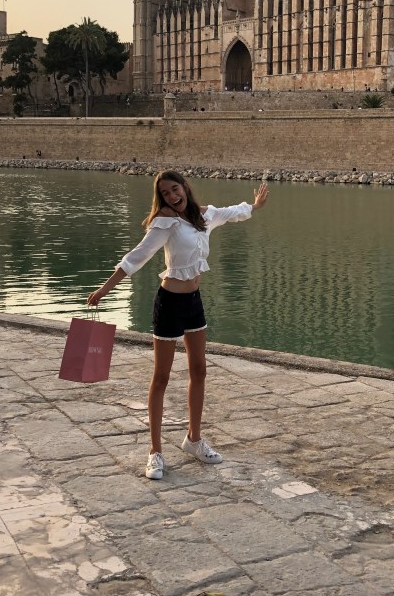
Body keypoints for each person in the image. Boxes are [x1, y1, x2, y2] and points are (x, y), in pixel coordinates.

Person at [87, 169, 269, 480]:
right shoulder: (166, 223)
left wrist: (254, 206)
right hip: (169, 304)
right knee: (161, 377)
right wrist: (105, 289)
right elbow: (138, 256)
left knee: (199, 370)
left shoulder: (205, 216)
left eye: (175, 189)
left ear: (185, 187)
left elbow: (232, 213)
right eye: (166, 194)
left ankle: (194, 440)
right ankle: (155, 452)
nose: (172, 196)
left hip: (194, 302)